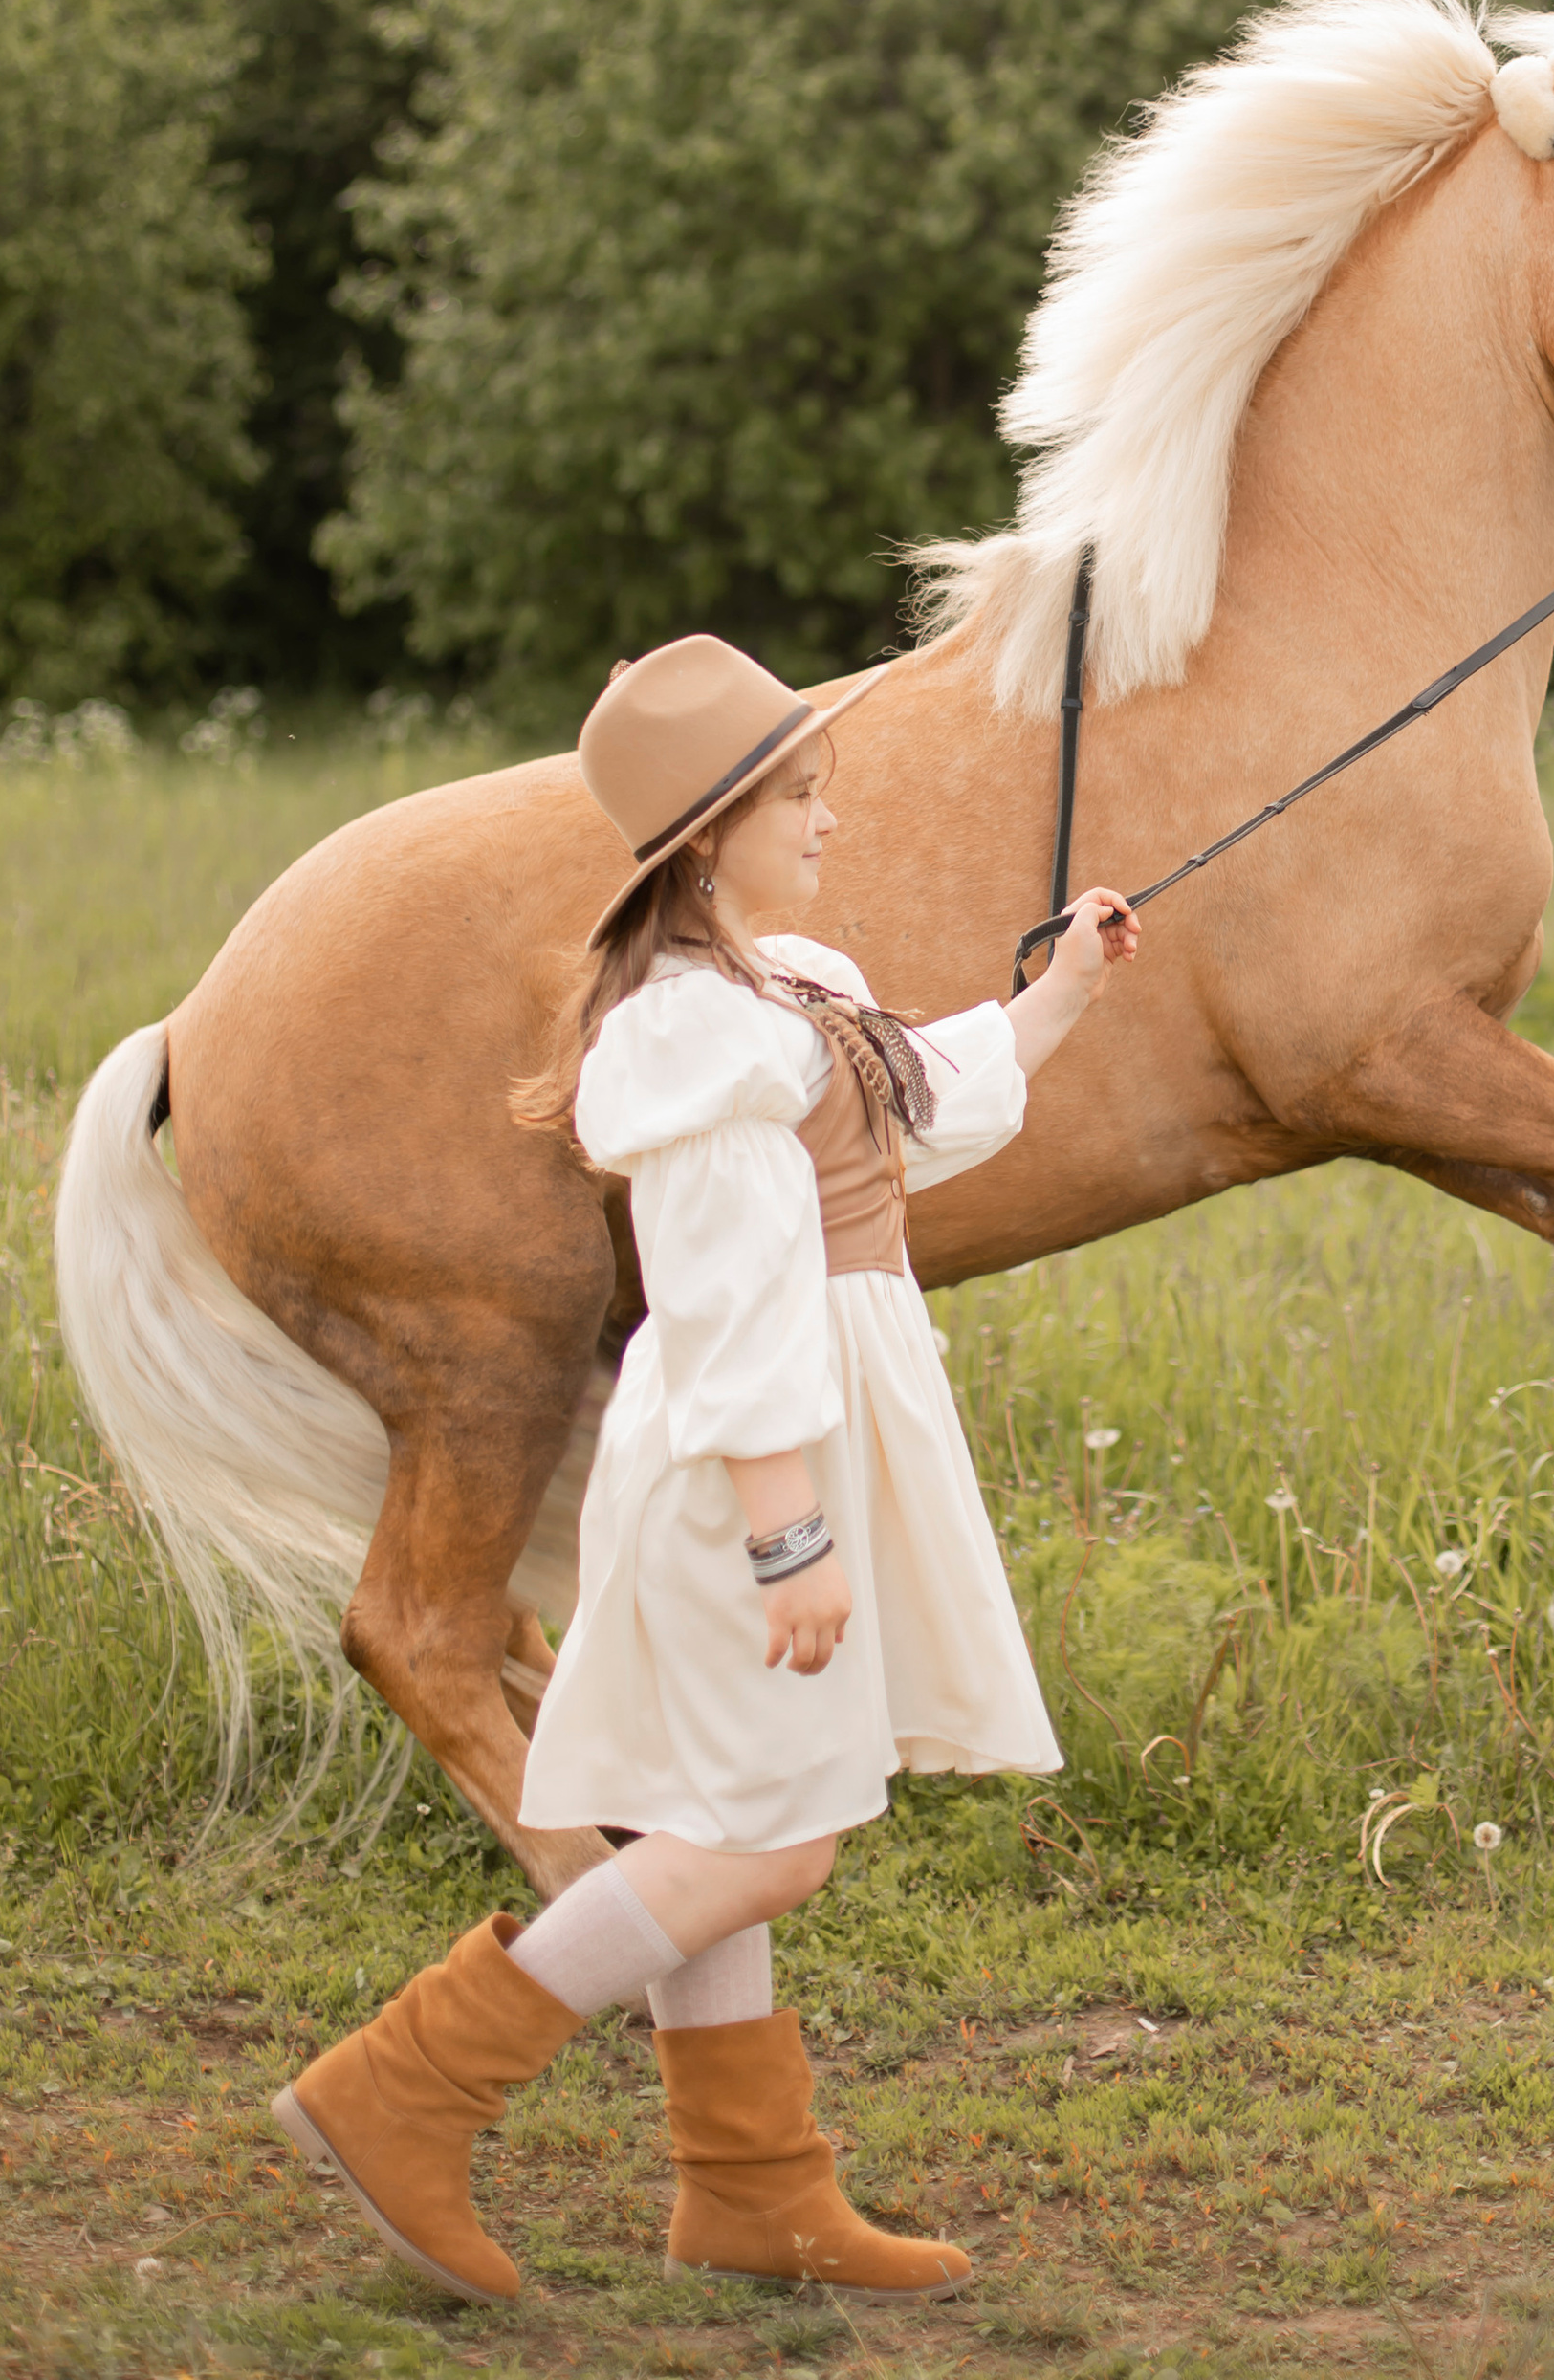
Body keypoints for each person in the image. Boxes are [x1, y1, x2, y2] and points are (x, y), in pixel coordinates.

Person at [271, 631, 1137, 2307]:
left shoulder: (788, 981)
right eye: (795, 794)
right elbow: (731, 1293)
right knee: (764, 1839)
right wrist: (786, 1525)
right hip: (750, 1455)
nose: (827, 816)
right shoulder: (689, 1034)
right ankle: (406, 2089)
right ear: (705, 831)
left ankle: (751, 2194)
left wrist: (1064, 992)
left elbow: (917, 1104)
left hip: (796, 1429)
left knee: (717, 1807)